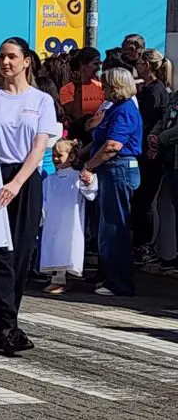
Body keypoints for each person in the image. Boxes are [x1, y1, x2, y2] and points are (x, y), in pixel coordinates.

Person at [0, 37, 54, 355]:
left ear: (26, 62)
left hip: (24, 179)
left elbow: (39, 147)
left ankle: (3, 324)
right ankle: (7, 326)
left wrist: (18, 183)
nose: (5, 62)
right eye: (1, 57)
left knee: (19, 254)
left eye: (12, 57)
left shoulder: (41, 101)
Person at [85, 66, 143, 297]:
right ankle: (108, 275)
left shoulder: (125, 110)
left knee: (114, 227)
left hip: (118, 169)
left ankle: (119, 282)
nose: (103, 89)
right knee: (106, 225)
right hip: (111, 170)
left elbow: (112, 146)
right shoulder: (115, 109)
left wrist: (90, 165)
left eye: (106, 85)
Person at [40, 139, 98, 295]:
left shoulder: (76, 177)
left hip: (71, 220)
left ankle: (62, 280)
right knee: (54, 245)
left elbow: (90, 193)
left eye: (59, 155)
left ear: (71, 157)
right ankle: (56, 277)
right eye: (53, 155)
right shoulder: (49, 179)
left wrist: (88, 181)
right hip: (53, 220)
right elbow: (44, 200)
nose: (55, 159)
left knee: (68, 245)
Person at [130, 49, 171, 265]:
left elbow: (148, 122)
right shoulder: (145, 89)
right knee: (137, 200)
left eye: (139, 62)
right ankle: (138, 243)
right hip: (141, 152)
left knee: (144, 201)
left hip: (151, 154)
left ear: (147, 64)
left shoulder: (156, 92)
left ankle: (144, 246)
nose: (136, 66)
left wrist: (152, 142)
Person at [148, 87, 178, 276]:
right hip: (170, 160)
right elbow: (164, 119)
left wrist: (160, 139)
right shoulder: (175, 96)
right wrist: (153, 134)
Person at [60, 47, 103, 142]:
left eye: (99, 64)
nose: (98, 68)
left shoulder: (101, 87)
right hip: (77, 136)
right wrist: (78, 88)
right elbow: (75, 114)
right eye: (95, 64)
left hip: (96, 135)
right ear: (82, 64)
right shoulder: (67, 89)